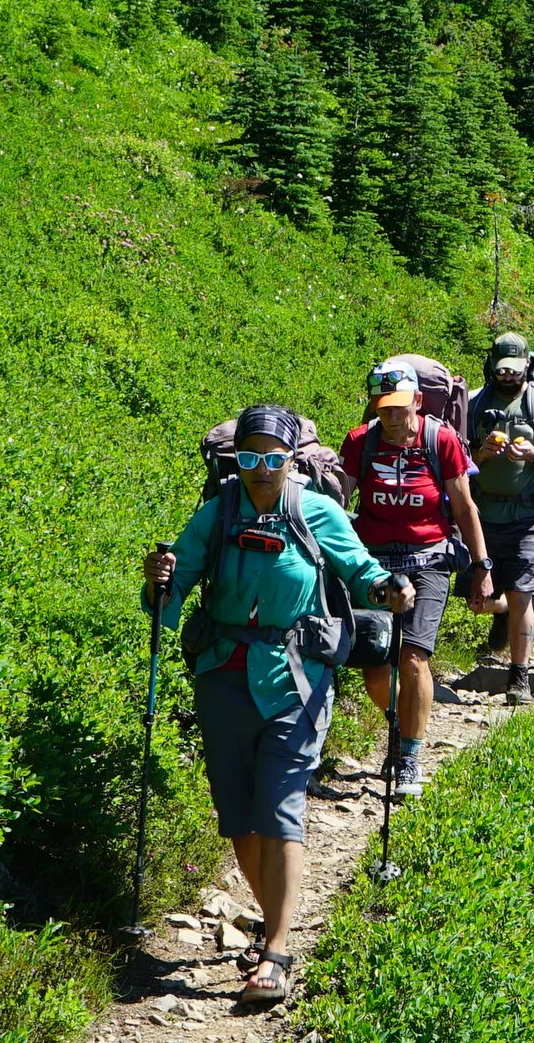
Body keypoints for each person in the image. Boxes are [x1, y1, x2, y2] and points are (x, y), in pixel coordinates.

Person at [143, 405, 408, 1005]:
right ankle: (272, 919)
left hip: (297, 677)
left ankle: (278, 950)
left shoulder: (317, 511)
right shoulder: (216, 514)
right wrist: (158, 582)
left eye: (274, 458)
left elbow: (360, 570)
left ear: (293, 461)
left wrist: (386, 589)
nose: (262, 470)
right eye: (249, 458)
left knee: (281, 802)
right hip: (222, 673)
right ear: (235, 460)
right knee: (237, 811)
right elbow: (170, 596)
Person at [340, 364, 492, 796]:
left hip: (428, 560)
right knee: (374, 665)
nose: (391, 416)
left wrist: (481, 568)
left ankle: (408, 756)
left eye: (400, 407)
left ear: (418, 402)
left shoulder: (439, 439)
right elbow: (340, 500)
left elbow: (464, 507)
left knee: (413, 658)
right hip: (373, 563)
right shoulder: (359, 442)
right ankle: (401, 721)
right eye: (383, 407)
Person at [465, 333, 534, 702]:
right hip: (482, 515)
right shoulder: (474, 404)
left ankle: (519, 675)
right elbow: (459, 461)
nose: (508, 377)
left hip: (529, 515)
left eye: (515, 370)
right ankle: (504, 619)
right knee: (476, 600)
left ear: (527, 365)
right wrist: (481, 454)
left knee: (522, 594)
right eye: (502, 370)